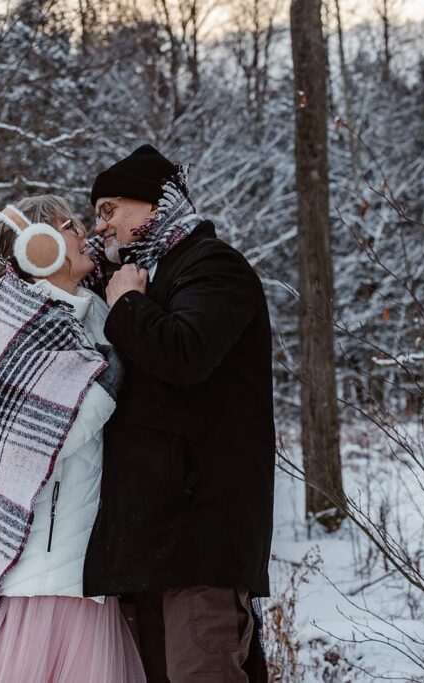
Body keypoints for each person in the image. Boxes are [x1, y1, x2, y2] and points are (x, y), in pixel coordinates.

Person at [82, 145, 276, 682]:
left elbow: (186, 353)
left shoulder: (214, 265)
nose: (100, 227)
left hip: (198, 539)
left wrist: (127, 306)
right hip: (152, 543)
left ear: (152, 206)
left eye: (109, 209)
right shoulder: (147, 274)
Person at [0, 195, 146, 683]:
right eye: (68, 227)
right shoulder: (14, 325)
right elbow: (31, 445)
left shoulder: (90, 313)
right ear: (39, 248)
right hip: (41, 568)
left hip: (87, 560)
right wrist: (109, 379)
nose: (83, 235)